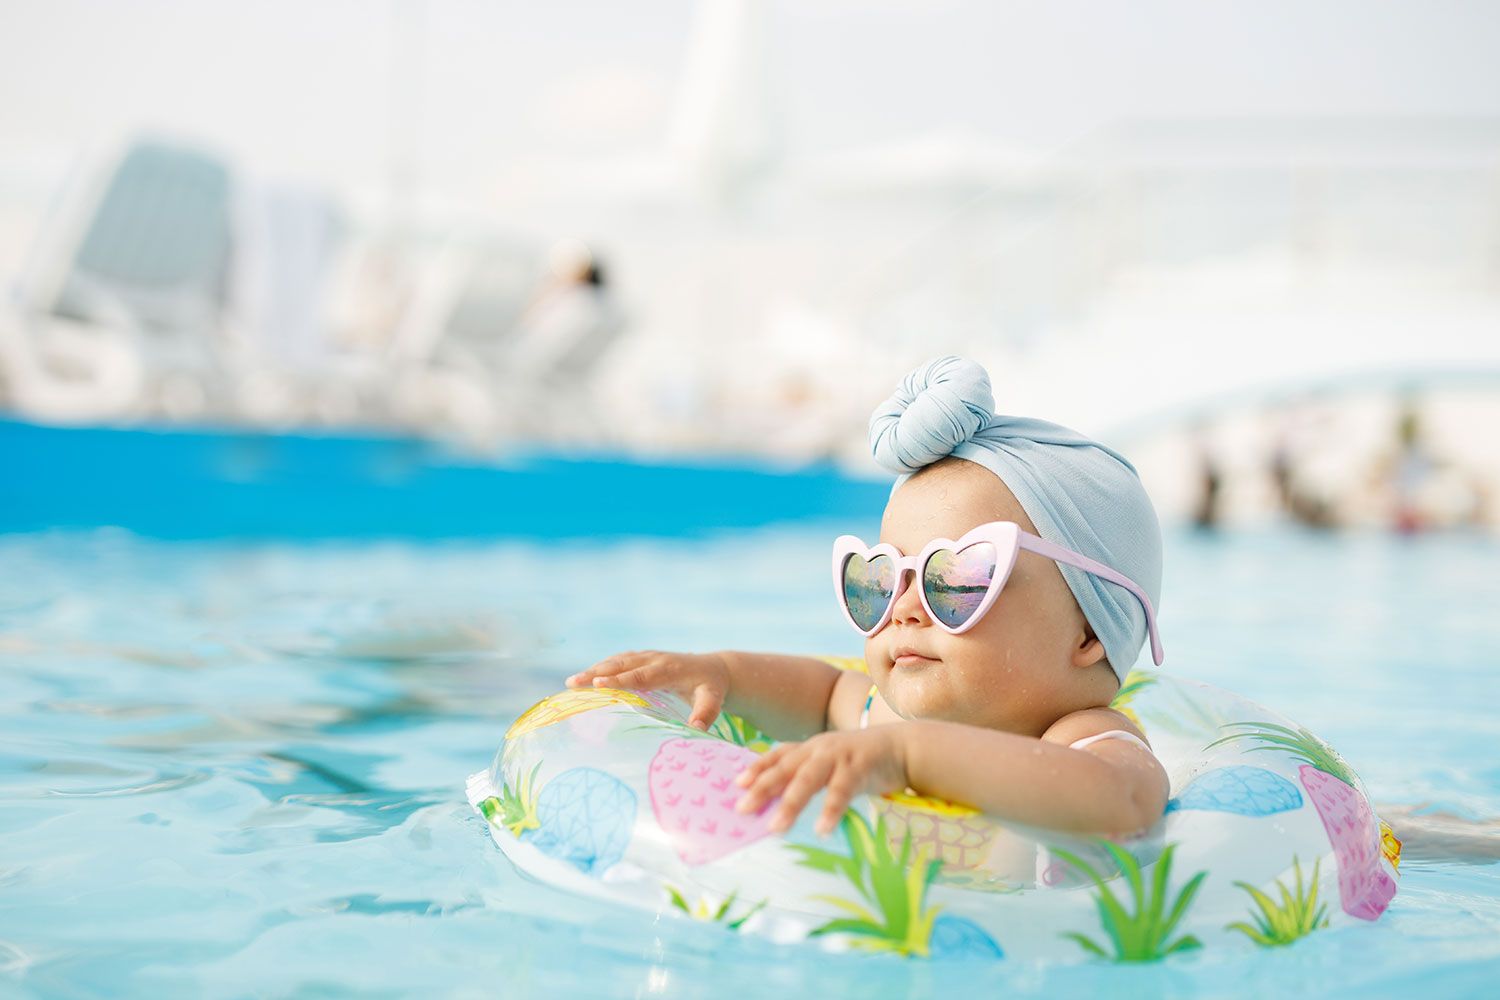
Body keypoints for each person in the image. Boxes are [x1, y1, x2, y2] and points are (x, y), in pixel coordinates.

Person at [566, 355, 1169, 841]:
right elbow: (825, 695)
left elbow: (1123, 800)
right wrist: (723, 672)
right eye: (880, 579)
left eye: (954, 580)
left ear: (1088, 632)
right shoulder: (886, 716)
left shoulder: (1082, 737)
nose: (903, 609)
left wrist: (909, 756)